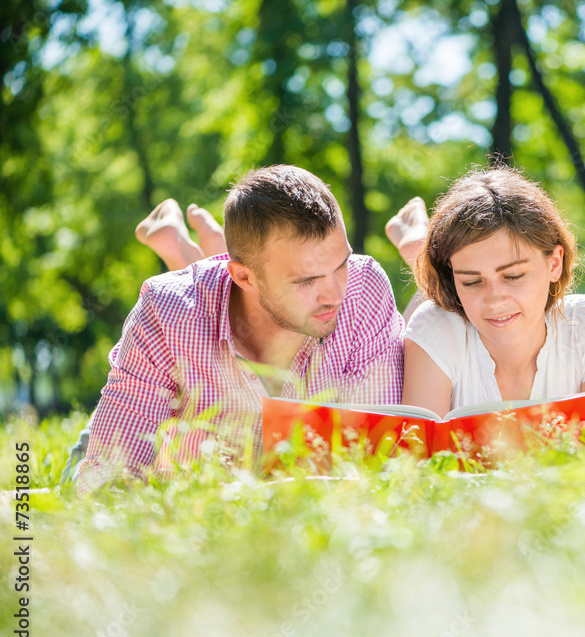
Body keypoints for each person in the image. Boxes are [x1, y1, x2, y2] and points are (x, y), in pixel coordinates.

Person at [74, 165, 404, 493]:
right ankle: (186, 251)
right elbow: (110, 471)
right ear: (244, 277)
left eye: (341, 263)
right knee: (75, 481)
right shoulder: (167, 312)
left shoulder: (365, 289)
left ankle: (188, 250)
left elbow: (378, 464)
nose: (335, 294)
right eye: (306, 280)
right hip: (173, 443)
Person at [401, 166, 585, 422]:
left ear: (554, 264)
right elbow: (415, 456)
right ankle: (416, 249)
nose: (495, 300)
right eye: (472, 281)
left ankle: (417, 247)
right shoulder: (435, 327)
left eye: (513, 276)